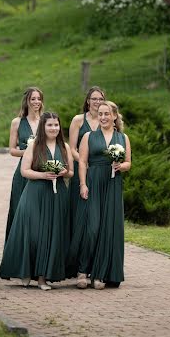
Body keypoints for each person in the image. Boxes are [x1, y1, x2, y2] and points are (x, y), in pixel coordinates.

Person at [0, 111, 73, 290]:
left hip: (57, 195)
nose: (53, 128)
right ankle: (25, 271)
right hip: (35, 192)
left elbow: (70, 172)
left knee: (51, 234)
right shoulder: (34, 146)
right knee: (33, 233)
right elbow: (25, 170)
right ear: (43, 127)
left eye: (56, 125)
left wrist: (64, 172)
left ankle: (42, 278)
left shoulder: (65, 147)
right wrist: (42, 175)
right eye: (50, 125)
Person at [68, 100, 131, 290]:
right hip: (93, 183)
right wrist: (83, 184)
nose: (103, 117)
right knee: (92, 228)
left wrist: (121, 166)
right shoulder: (88, 136)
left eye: (107, 114)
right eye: (100, 114)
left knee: (108, 229)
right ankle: (81, 271)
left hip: (113, 184)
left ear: (114, 116)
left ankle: (100, 274)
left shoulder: (123, 138)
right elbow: (82, 162)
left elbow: (129, 163)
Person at [4, 87, 44, 241]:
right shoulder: (17, 122)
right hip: (22, 173)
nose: (36, 102)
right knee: (19, 210)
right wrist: (29, 152)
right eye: (33, 99)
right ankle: (16, 247)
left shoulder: (45, 121)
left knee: (38, 213)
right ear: (27, 101)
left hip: (41, 170)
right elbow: (12, 150)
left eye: (39, 99)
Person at [68, 86, 105, 237]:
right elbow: (71, 149)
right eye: (94, 99)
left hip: (100, 171)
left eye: (100, 99)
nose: (97, 101)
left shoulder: (106, 120)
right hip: (81, 171)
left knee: (97, 211)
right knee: (80, 209)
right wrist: (84, 163)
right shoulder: (78, 120)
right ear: (88, 101)